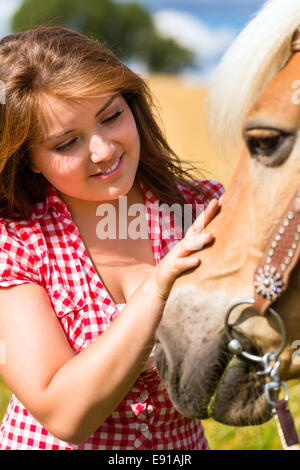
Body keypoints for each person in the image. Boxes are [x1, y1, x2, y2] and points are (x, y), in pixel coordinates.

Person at [0, 26, 224, 450]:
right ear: (27, 156)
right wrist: (158, 289)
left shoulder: (203, 210)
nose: (103, 150)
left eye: (111, 116)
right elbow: (64, 413)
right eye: (67, 142)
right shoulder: (15, 243)